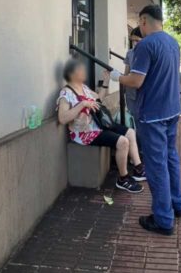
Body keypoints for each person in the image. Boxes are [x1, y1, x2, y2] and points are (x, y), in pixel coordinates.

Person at [110, 5, 181, 235]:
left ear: (143, 20)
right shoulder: (173, 43)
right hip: (172, 110)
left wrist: (117, 77)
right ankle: (176, 204)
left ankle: (163, 219)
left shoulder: (145, 45)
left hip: (152, 115)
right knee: (171, 157)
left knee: (156, 165)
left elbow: (136, 81)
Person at [57, 58, 145, 193]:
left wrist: (106, 81)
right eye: (80, 69)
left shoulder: (84, 88)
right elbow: (62, 118)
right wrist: (82, 104)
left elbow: (99, 98)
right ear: (72, 73)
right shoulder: (66, 93)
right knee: (123, 142)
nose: (84, 71)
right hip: (85, 133)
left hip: (98, 125)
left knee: (130, 132)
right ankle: (123, 179)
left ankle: (138, 169)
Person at [123, 26, 143, 123]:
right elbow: (126, 71)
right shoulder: (129, 53)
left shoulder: (147, 53)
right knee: (132, 115)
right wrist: (123, 85)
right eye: (132, 40)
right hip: (130, 90)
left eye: (137, 40)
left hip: (143, 90)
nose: (134, 43)